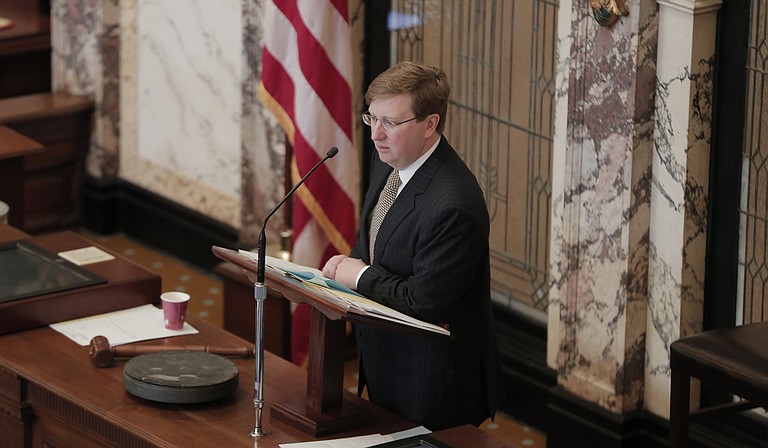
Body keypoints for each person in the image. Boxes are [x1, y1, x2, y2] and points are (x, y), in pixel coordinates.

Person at [322, 61, 503, 430]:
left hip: (432, 383)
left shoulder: (453, 204)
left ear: (430, 124)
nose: (375, 135)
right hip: (385, 361)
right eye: (371, 119)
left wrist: (359, 276)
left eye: (390, 122)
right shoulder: (388, 159)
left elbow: (424, 301)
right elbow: (373, 242)